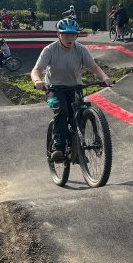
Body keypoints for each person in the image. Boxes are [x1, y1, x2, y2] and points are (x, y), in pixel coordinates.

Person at [31, 18, 114, 163]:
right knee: (62, 111)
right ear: (58, 35)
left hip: (75, 88)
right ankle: (59, 147)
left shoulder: (80, 49)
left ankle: (78, 149)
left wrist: (104, 77)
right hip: (54, 88)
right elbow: (36, 70)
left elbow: (93, 66)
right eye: (66, 35)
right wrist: (38, 80)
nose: (70, 38)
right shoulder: (50, 50)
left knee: (81, 112)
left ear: (77, 35)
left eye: (73, 35)